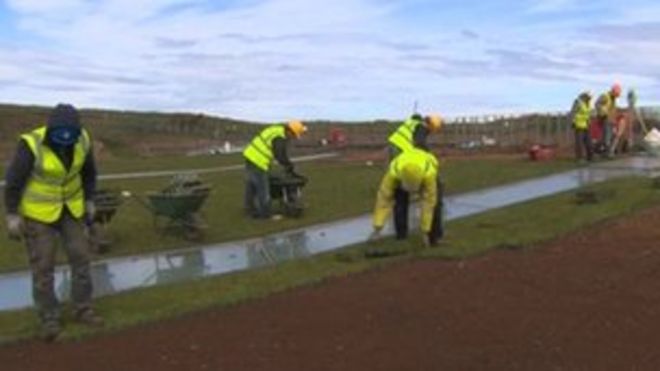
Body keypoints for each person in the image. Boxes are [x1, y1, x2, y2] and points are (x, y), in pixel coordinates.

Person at [4, 103, 103, 342]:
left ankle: (83, 309)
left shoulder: (83, 141)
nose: (67, 137)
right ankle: (49, 318)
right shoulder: (31, 144)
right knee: (43, 266)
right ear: (51, 129)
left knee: (81, 257)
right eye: (61, 132)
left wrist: (89, 200)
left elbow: (89, 173)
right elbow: (14, 181)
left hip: (71, 209)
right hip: (39, 214)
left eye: (71, 132)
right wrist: (12, 215)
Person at [370, 147, 443, 247]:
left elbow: (428, 204)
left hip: (427, 169)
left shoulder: (429, 174)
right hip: (402, 169)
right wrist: (377, 228)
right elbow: (383, 199)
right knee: (399, 204)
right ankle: (401, 236)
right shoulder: (394, 171)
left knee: (435, 205)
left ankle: (434, 236)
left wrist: (425, 231)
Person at [242, 120, 307, 219]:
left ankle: (249, 210)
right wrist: (288, 165)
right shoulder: (279, 137)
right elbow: (280, 154)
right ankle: (265, 214)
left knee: (251, 185)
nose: (292, 138)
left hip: (250, 156)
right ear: (290, 131)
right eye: (293, 136)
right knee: (263, 188)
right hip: (258, 160)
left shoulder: (276, 130)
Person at [595, 83, 622, 158]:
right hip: (604, 118)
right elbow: (597, 104)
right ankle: (607, 153)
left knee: (611, 135)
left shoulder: (613, 99)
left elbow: (612, 109)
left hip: (611, 119)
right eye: (617, 94)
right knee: (607, 135)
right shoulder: (605, 96)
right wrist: (603, 111)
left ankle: (603, 150)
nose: (617, 96)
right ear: (613, 91)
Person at [570, 91, 593, 163]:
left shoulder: (588, 104)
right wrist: (573, 122)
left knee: (588, 142)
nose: (589, 99)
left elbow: (588, 113)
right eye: (588, 97)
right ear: (585, 96)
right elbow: (573, 112)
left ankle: (590, 157)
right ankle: (579, 158)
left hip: (586, 125)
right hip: (579, 124)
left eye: (590, 98)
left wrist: (589, 120)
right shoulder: (578, 102)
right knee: (579, 142)